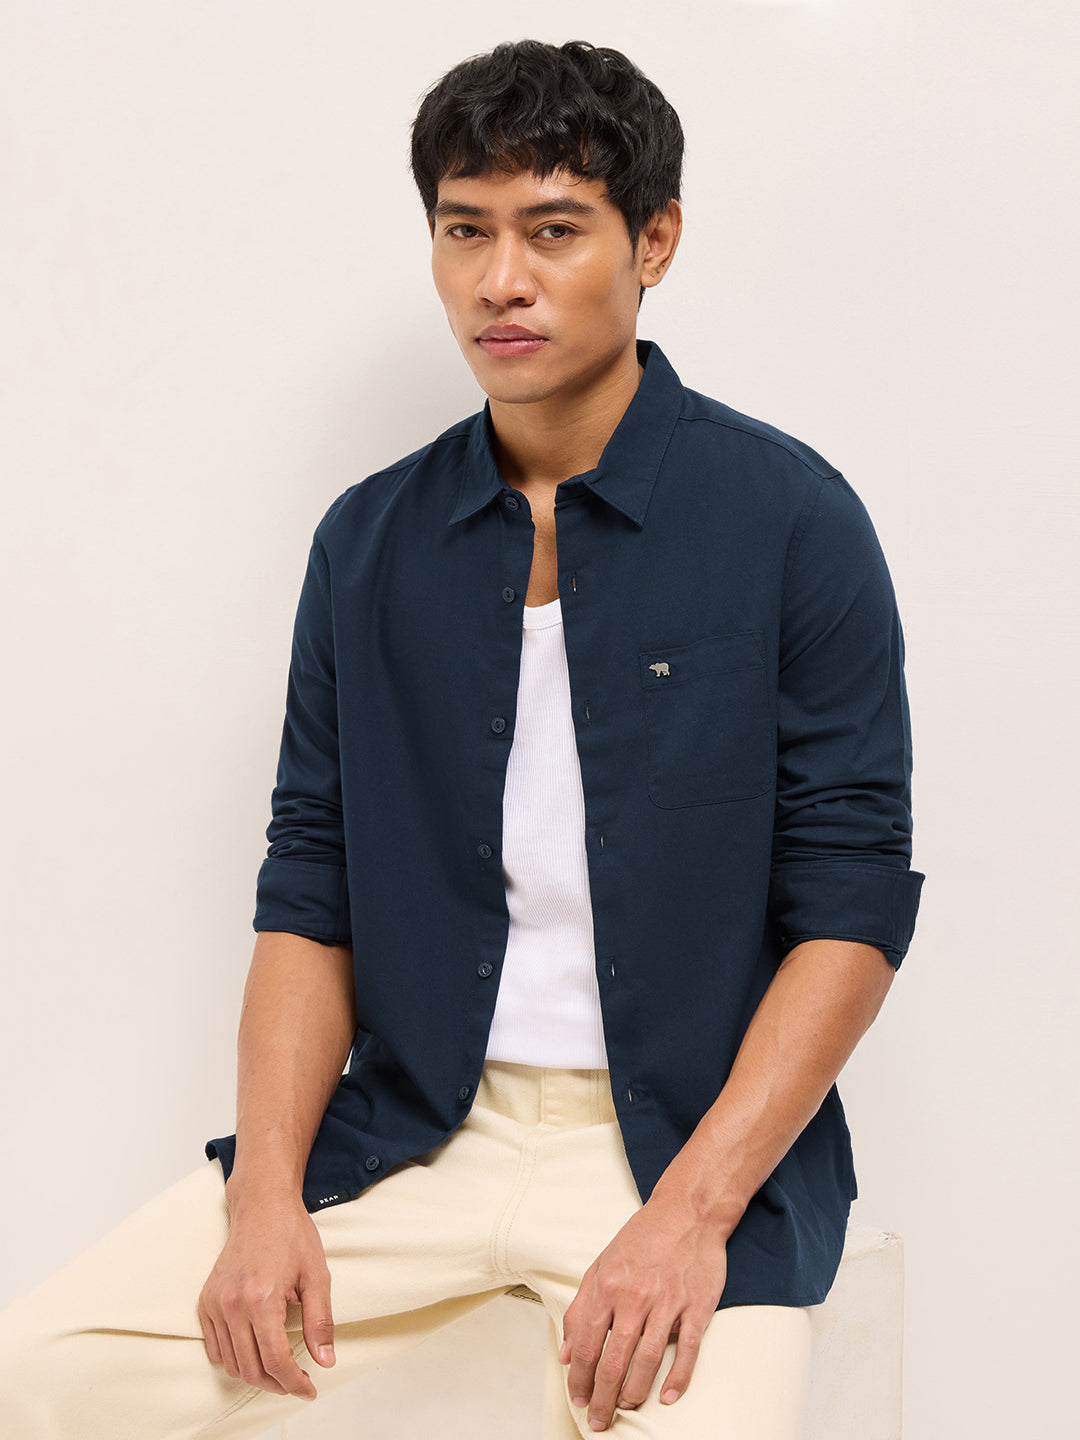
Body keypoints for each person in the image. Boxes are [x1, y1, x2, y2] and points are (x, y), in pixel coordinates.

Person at [0, 38, 924, 1440]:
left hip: (669, 1151)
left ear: (653, 241)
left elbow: (850, 906)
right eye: (464, 230)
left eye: (553, 230)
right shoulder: (370, 541)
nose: (501, 280)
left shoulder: (792, 521)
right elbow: (310, 882)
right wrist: (265, 1197)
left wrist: (692, 1217)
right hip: (415, 1134)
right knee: (39, 1371)